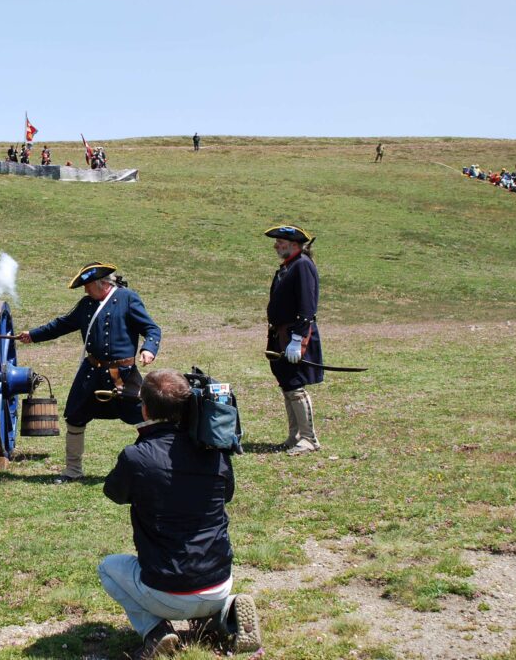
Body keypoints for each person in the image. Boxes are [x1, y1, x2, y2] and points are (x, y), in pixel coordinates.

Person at [98, 369, 260, 659]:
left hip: (165, 590)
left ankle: (155, 632)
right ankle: (225, 611)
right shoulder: (215, 449)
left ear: (144, 408)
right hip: (219, 581)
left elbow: (114, 493)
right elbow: (228, 495)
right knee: (204, 588)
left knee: (108, 567)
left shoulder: (137, 457)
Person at [18, 262, 161, 482]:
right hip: (91, 372)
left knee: (146, 418)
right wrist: (33, 335)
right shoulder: (86, 305)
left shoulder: (127, 298)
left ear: (101, 284)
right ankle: (73, 471)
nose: (85, 290)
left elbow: (152, 329)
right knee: (74, 417)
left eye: (87, 286)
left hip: (122, 374)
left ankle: (155, 467)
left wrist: (148, 349)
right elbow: (61, 325)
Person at [265, 225, 323, 455]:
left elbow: (308, 306)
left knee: (296, 386)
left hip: (294, 334)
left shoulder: (303, 266)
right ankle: (295, 435)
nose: (276, 245)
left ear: (295, 244)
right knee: (288, 384)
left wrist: (298, 339)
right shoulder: (289, 266)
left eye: (281, 242)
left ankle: (309, 439)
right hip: (282, 334)